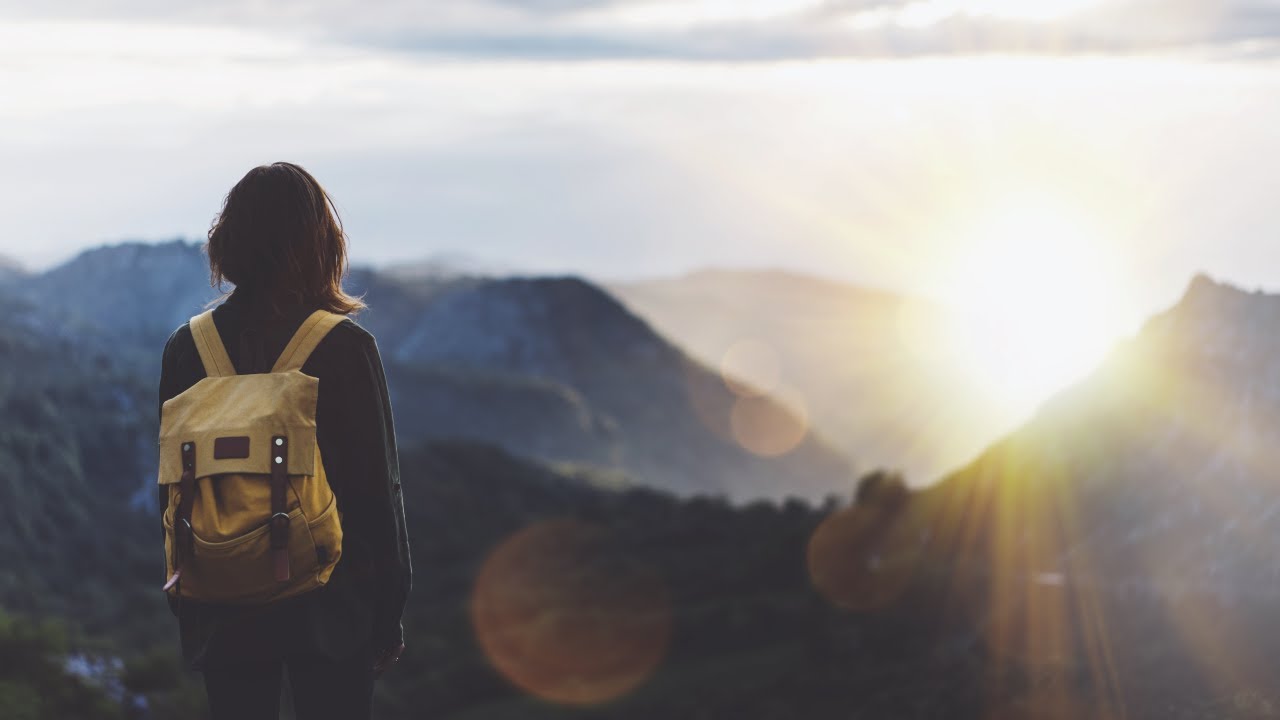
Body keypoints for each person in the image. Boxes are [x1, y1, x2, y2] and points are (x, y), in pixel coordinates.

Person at [157, 162, 412, 720]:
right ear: (323, 242)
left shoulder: (187, 349)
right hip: (329, 605)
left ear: (227, 242)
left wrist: (187, 596)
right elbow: (376, 491)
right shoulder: (344, 346)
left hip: (220, 602)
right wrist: (388, 609)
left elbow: (172, 489)